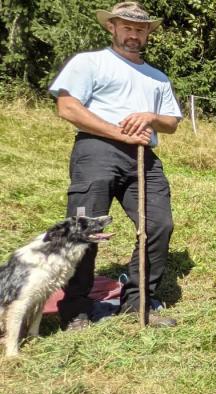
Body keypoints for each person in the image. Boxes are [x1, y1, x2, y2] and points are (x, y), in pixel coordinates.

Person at [49, 1, 183, 328]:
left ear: (148, 32)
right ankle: (76, 310)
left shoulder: (157, 77)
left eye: (140, 29)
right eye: (127, 27)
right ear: (112, 27)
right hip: (97, 149)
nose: (134, 34)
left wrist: (151, 117)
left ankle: (137, 304)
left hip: (143, 157)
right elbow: (67, 108)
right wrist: (117, 132)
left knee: (158, 225)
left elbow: (172, 123)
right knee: (85, 228)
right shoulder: (89, 62)